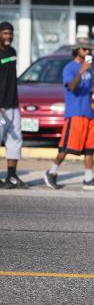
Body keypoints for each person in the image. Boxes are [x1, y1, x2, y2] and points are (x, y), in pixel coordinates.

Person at [44, 39, 94, 190]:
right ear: (77, 50)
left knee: (90, 148)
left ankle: (88, 179)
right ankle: (52, 172)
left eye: (90, 50)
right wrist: (82, 70)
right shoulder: (70, 68)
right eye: (85, 49)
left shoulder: (88, 69)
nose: (89, 52)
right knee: (67, 147)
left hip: (88, 112)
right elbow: (71, 87)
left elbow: (86, 91)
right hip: (75, 113)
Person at [0, 22, 28, 189]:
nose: (8, 36)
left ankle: (11, 176)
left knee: (15, 142)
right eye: (4, 33)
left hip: (13, 105)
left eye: (10, 33)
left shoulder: (12, 52)